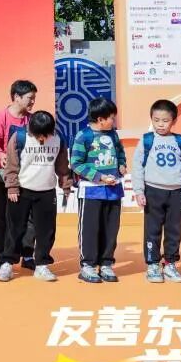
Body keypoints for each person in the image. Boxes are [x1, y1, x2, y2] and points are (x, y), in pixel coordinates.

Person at [1, 110, 72, 282]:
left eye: (45, 135)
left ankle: (41, 265)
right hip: (21, 191)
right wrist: (12, 187)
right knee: (15, 229)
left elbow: (62, 165)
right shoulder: (19, 138)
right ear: (31, 129)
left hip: (47, 191)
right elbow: (11, 165)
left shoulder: (58, 139)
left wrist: (66, 185)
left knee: (46, 231)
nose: (42, 139)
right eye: (38, 135)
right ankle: (7, 264)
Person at [132, 99, 181, 284]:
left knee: (174, 230)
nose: (160, 124)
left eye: (165, 120)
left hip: (176, 192)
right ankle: (153, 264)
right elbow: (137, 167)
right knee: (152, 230)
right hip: (153, 191)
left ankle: (170, 264)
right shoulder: (147, 140)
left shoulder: (180, 141)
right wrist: (139, 191)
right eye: (156, 120)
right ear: (151, 119)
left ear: (174, 121)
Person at [70, 97, 127, 284]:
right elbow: (76, 164)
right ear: (100, 119)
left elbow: (120, 152)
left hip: (113, 190)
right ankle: (88, 265)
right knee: (90, 229)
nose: (114, 121)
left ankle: (106, 263)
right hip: (91, 191)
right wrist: (99, 177)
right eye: (111, 118)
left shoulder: (113, 135)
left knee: (111, 229)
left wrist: (122, 165)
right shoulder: (83, 136)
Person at [0, 80, 37, 272]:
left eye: (34, 98)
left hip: (25, 175)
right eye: (30, 98)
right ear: (17, 97)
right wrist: (1, 155)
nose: (33, 102)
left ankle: (27, 254)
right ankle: (2, 255)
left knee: (28, 216)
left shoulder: (32, 120)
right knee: (0, 216)